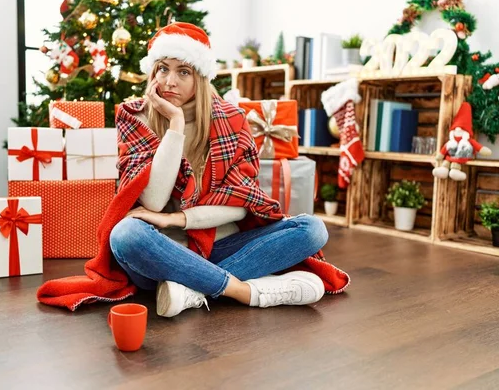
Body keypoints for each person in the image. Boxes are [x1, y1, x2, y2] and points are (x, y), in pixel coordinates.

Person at [35, 22, 349, 315]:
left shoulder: (230, 119)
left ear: (199, 77)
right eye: (162, 70)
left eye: (183, 72)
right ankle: (239, 290)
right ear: (153, 72)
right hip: (158, 250)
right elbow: (154, 201)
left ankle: (189, 289)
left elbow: (240, 206)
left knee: (311, 229)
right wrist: (174, 125)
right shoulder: (135, 115)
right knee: (126, 234)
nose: (169, 81)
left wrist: (175, 218)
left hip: (218, 245)